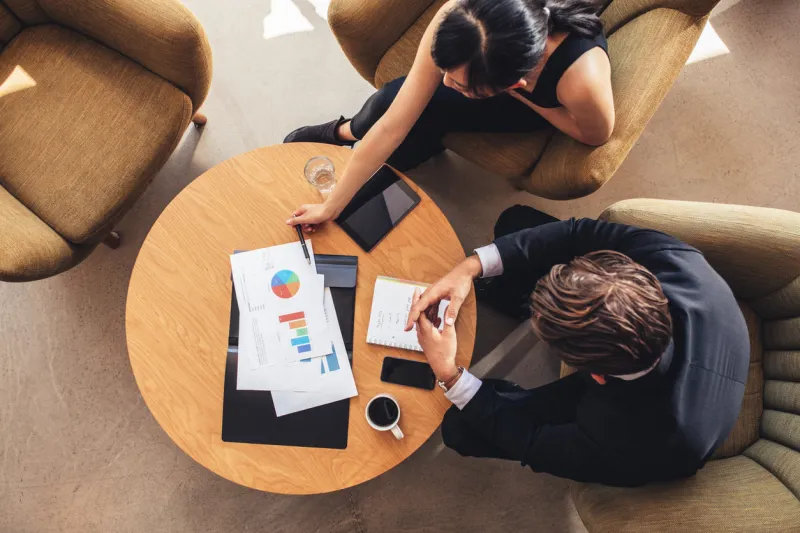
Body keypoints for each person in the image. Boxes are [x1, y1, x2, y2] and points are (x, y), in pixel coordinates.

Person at [406, 205, 749, 486]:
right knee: (515, 222)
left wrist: (449, 375)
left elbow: (532, 443)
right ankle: (508, 296)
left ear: (594, 375)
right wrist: (469, 268)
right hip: (688, 348)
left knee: (461, 429)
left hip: (648, 418)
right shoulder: (677, 261)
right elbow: (581, 232)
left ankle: (507, 391)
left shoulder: (635, 441)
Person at [284, 0, 614, 232]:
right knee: (389, 100)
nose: (443, 82)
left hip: (531, 104)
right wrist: (331, 206)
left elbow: (593, 135)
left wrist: (529, 99)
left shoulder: (581, 80)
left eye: (457, 83)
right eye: (445, 71)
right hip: (500, 76)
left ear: (511, 84)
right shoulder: (461, 16)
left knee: (418, 131)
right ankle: (344, 132)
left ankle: (407, 153)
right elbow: (392, 126)